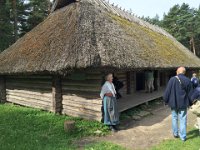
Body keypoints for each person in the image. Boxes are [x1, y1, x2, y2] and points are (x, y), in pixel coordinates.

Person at [163, 67, 194, 141]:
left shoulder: (172, 79)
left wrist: (165, 100)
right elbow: (191, 94)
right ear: (184, 72)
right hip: (183, 103)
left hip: (173, 103)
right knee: (182, 119)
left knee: (174, 118)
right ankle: (183, 137)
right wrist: (191, 103)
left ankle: (175, 134)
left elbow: (167, 91)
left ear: (177, 72)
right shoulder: (188, 80)